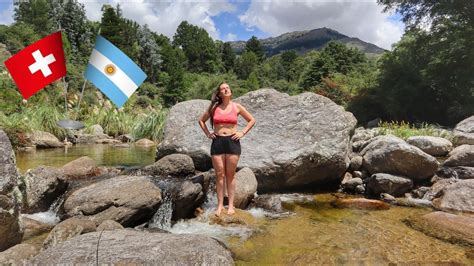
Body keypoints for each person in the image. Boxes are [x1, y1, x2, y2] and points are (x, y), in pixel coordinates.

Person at [198, 82, 256, 216]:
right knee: (219, 175)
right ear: (219, 93)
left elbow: (252, 120)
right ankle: (219, 206)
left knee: (231, 175)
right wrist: (208, 133)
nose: (225, 90)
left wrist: (242, 132)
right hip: (217, 142)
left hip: (232, 142)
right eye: (222, 89)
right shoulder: (214, 107)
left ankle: (231, 205)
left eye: (227, 88)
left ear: (230, 91)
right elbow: (201, 120)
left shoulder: (237, 107)